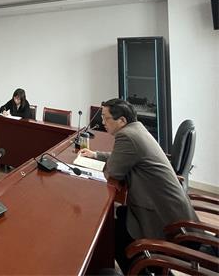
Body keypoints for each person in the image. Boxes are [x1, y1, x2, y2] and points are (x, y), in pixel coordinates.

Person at [79, 98, 198, 273]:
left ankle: (140, 271)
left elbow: (113, 173)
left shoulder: (127, 136)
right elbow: (124, 156)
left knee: (111, 231)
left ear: (122, 120)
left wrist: (99, 166)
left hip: (164, 220)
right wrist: (96, 155)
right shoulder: (136, 129)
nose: (102, 122)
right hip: (172, 212)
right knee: (118, 215)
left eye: (106, 118)